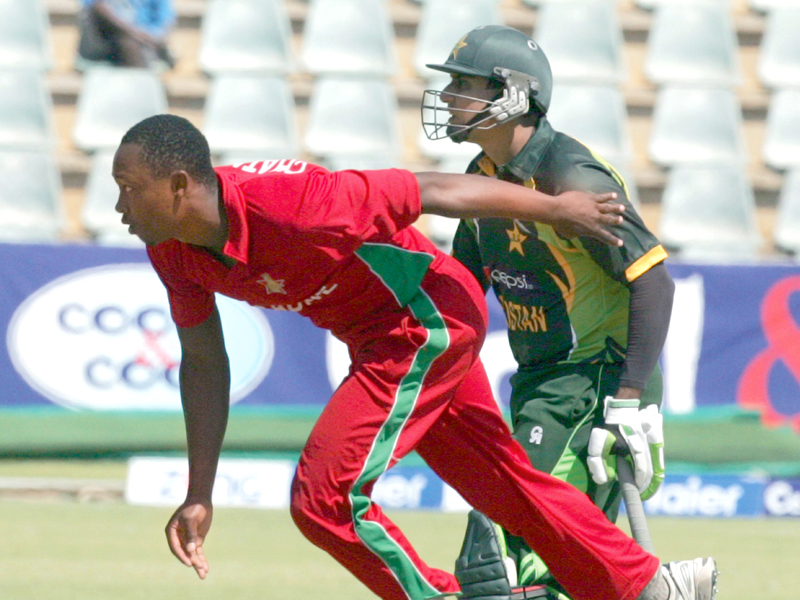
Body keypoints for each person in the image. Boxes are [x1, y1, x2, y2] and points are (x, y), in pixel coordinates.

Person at [112, 113, 715, 600]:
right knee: (503, 484)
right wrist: (200, 491)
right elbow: (204, 361)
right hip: (385, 338)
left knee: (323, 499)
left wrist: (560, 209)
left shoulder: (295, 202)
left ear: (178, 187)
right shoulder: (174, 249)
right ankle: (649, 585)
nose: (119, 208)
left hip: (426, 320)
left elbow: (432, 189)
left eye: (128, 189)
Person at [422, 24, 681, 599]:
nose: (445, 98)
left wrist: (632, 400)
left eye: (463, 85)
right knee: (541, 565)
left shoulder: (571, 175)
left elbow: (655, 282)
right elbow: (462, 289)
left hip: (597, 381)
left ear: (515, 94)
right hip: (540, 382)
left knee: (503, 551)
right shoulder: (481, 179)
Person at [77, 0, 176, 70]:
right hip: (102, 40)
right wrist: (134, 32)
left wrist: (150, 37)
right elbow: (95, 7)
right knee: (129, 42)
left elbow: (165, 21)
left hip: (144, 42)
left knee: (130, 44)